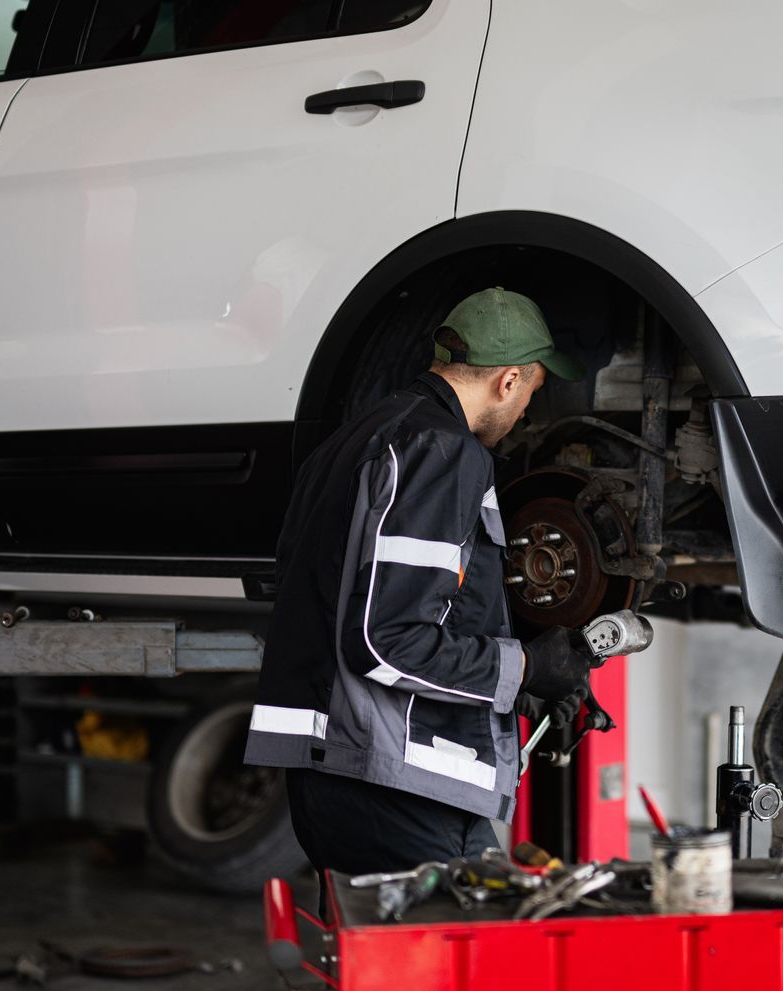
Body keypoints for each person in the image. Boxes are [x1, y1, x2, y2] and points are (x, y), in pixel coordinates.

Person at [244, 287, 599, 877]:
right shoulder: (441, 451)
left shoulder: (354, 441)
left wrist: (518, 689)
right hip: (398, 786)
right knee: (471, 962)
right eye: (532, 392)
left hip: (333, 775)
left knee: (373, 965)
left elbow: (349, 605)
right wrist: (526, 668)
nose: (525, 416)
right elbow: (387, 640)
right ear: (508, 381)